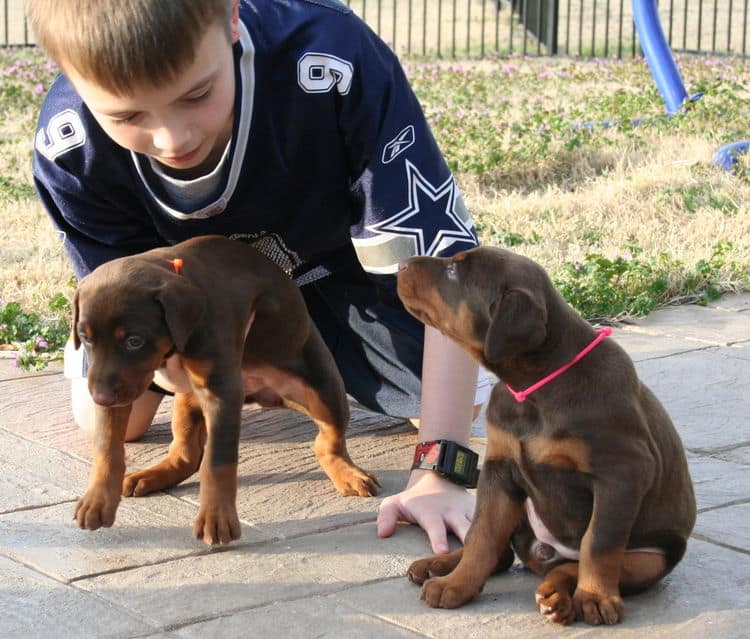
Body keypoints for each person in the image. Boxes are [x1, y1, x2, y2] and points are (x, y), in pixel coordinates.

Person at [27, 0, 491, 555]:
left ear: (231, 18)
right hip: (190, 299)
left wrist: (442, 469)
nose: (173, 138)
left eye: (196, 94)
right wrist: (198, 361)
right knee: (107, 412)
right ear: (72, 79)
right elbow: (120, 292)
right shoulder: (69, 142)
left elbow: (441, 269)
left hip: (338, 277)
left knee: (457, 395)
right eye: (128, 117)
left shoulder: (330, 57)